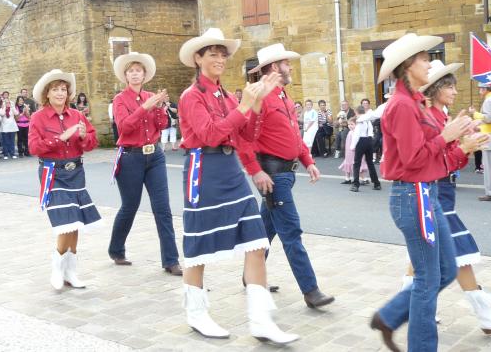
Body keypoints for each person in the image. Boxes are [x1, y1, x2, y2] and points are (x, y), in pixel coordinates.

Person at [178, 29, 298, 344]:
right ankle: (196, 312)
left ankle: (260, 320)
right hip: (203, 172)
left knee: (257, 242)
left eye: (222, 54)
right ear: (198, 58)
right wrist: (246, 105)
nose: (219, 59)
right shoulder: (191, 97)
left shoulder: (229, 96)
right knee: (199, 248)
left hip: (231, 171)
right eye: (212, 53)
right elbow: (211, 135)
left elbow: (245, 137)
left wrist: (257, 103)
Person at [369, 33, 486, 352]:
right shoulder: (402, 106)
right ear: (408, 66)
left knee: (446, 269)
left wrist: (462, 146)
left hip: (425, 193)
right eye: (423, 58)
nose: (429, 62)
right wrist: (448, 137)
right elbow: (414, 159)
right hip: (413, 197)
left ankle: (389, 316)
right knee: (428, 279)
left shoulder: (415, 102)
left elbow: (434, 160)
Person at [400, 60, 491, 334]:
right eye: (450, 86)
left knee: (422, 257)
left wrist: (466, 142)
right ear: (436, 89)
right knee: (460, 253)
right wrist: (463, 145)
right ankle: (485, 316)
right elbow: (429, 157)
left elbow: (450, 159)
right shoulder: (426, 116)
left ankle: (406, 308)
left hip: (443, 190)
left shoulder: (440, 115)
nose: (455, 91)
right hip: (433, 191)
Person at [241, 42, 335, 310]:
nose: (290, 67)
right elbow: (246, 139)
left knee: (265, 229)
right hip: (272, 175)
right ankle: (311, 290)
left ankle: (251, 276)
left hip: (286, 172)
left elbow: (293, 135)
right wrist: (256, 171)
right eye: (286, 63)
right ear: (274, 67)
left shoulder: (283, 96)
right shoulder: (260, 97)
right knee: (291, 231)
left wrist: (308, 161)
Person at [108, 52, 182, 276]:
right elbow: (124, 127)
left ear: (144, 74)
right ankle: (116, 249)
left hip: (155, 155)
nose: (135, 74)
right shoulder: (120, 99)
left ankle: (171, 260)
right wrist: (145, 107)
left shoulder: (151, 95)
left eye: (138, 70)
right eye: (131, 71)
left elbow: (162, 124)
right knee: (130, 206)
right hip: (131, 156)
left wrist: (159, 107)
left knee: (163, 208)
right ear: (126, 75)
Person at [28, 69, 102, 290]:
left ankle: (71, 271)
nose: (60, 93)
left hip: (76, 172)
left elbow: (92, 142)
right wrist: (60, 138)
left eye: (63, 89)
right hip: (53, 174)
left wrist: (81, 136)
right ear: (47, 94)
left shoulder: (77, 115)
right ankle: (57, 268)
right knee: (65, 223)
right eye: (55, 89)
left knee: (76, 222)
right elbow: (34, 147)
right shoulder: (38, 117)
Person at [350, 104, 381, 192]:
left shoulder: (359, 120)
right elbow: (371, 132)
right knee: (370, 162)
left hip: (361, 141)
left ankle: (355, 185)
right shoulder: (368, 120)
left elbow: (357, 134)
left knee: (357, 163)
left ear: (356, 112)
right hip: (369, 140)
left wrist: (352, 146)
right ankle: (376, 183)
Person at [338, 117, 367, 184]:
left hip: (355, 151)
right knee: (347, 163)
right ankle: (347, 178)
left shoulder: (357, 132)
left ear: (356, 125)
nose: (350, 126)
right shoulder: (350, 132)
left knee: (358, 164)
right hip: (349, 151)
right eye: (349, 124)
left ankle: (363, 179)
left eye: (352, 124)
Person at [0, 91, 19, 159]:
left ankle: (12, 153)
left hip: (12, 127)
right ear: (4, 104)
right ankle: (6, 154)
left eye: (8, 103)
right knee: (5, 141)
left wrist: (12, 107)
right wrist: (4, 107)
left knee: (12, 141)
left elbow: (16, 113)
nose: (7, 104)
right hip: (4, 127)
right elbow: (2, 114)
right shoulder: (1, 109)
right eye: (6, 103)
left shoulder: (12, 109)